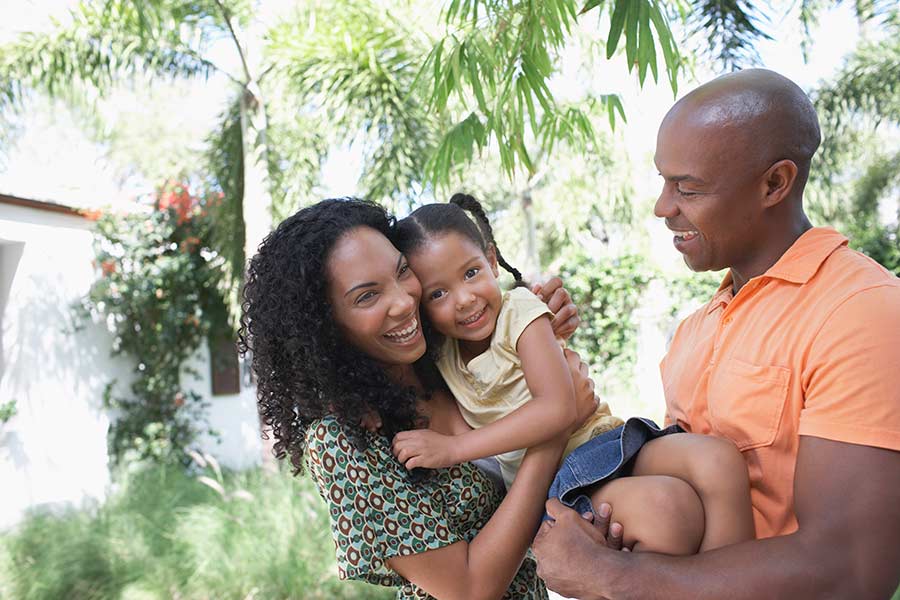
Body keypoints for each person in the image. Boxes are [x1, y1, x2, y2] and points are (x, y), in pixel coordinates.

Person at [532, 68, 900, 599]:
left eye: (688, 187)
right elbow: (679, 511)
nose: (663, 207)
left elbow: (851, 571)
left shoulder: (862, 311)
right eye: (663, 181)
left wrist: (609, 575)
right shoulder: (695, 329)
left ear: (775, 183)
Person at [239, 197, 596, 599]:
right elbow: (469, 590)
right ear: (325, 328)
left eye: (402, 272)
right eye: (366, 296)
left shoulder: (446, 357)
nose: (404, 301)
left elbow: (524, 369)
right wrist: (551, 435)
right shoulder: (343, 441)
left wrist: (542, 328)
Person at [390, 193, 754, 553]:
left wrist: (454, 449)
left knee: (718, 460)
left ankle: (734, 584)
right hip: (558, 482)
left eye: (471, 273)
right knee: (667, 510)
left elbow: (558, 408)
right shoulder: (440, 356)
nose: (465, 298)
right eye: (438, 294)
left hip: (606, 441)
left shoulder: (520, 310)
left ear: (491, 261)